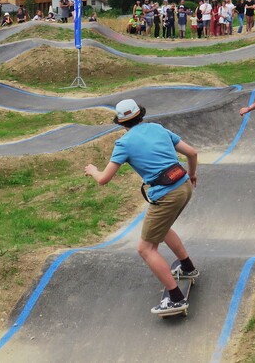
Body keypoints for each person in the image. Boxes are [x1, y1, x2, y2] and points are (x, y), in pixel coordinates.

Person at [84, 99, 198, 316]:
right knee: (161, 229)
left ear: (120, 122)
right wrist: (192, 174)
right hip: (184, 186)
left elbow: (103, 179)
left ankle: (176, 299)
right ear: (141, 114)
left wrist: (93, 170)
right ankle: (187, 267)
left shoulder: (124, 143)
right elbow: (192, 153)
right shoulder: (157, 128)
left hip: (165, 195)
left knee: (145, 249)